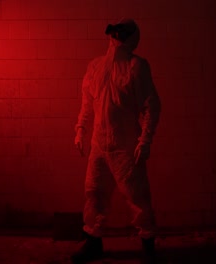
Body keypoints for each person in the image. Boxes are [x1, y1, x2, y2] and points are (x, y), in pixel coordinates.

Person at [71, 18, 161, 263]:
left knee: (137, 197)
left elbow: (151, 106)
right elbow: (87, 104)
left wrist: (144, 140)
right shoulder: (95, 67)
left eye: (123, 34)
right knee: (93, 193)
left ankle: (148, 246)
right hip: (99, 145)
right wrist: (80, 128)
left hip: (125, 145)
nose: (118, 38)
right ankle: (93, 243)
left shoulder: (136, 67)